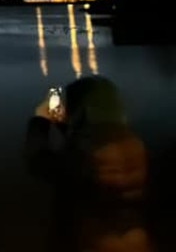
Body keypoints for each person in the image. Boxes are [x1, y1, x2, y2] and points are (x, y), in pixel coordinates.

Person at [24, 76, 154, 252]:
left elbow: (37, 161)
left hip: (94, 238)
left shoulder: (86, 153)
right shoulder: (136, 145)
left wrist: (41, 120)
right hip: (135, 237)